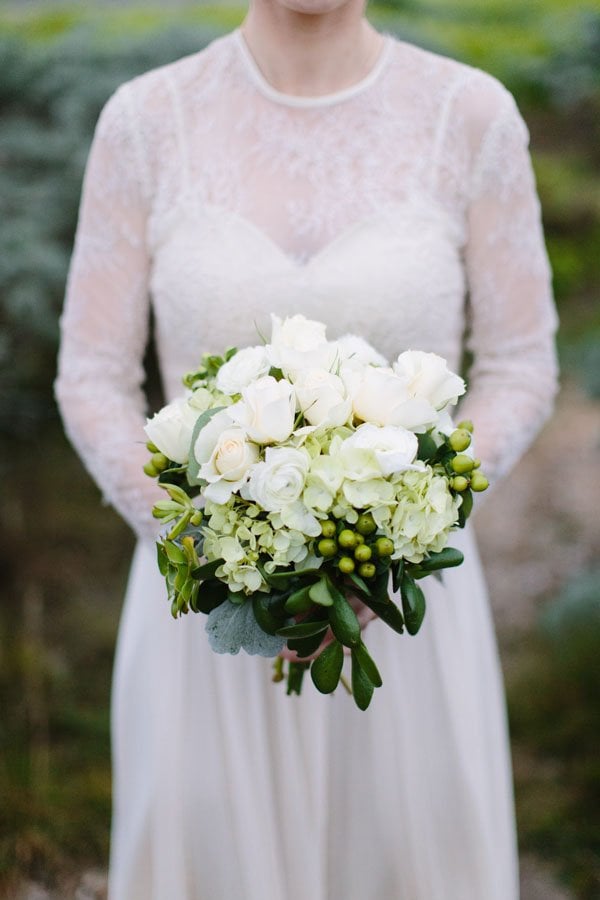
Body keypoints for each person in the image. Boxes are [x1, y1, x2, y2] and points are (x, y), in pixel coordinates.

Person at [54, 0, 559, 897]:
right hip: (199, 619)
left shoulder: (470, 115)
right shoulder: (145, 119)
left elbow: (520, 366)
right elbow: (92, 375)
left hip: (405, 615)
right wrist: (210, 549)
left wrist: (401, 532)